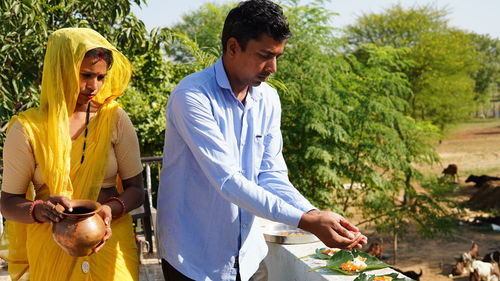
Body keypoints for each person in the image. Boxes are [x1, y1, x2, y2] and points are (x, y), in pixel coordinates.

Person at [156, 1, 368, 281]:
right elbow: (227, 180)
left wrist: (315, 213)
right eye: (264, 55)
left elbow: (271, 174)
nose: (273, 67)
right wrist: (308, 222)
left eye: (278, 56)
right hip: (194, 260)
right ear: (233, 47)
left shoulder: (267, 99)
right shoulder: (192, 97)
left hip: (248, 257)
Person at [0, 28, 144, 281]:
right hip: (52, 246)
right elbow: (8, 201)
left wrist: (111, 209)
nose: (94, 86)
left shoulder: (114, 119)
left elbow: (136, 189)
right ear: (61, 70)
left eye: (101, 77)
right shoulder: (27, 128)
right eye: (86, 75)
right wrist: (38, 210)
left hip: (110, 244)